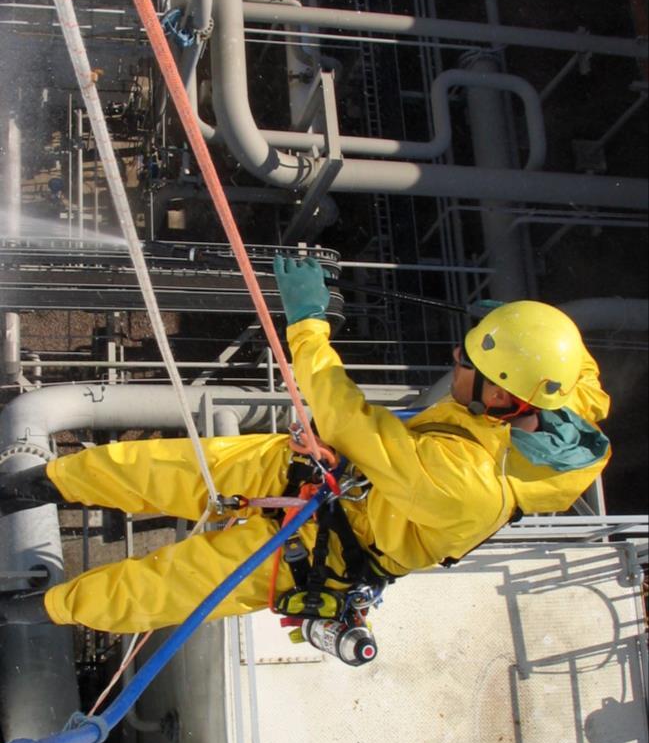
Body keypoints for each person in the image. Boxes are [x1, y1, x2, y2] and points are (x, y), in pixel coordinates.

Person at [0, 257, 611, 631]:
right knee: (159, 467)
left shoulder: (469, 487)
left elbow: (348, 420)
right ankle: (34, 486)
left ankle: (35, 609)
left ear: (504, 398)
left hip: (327, 548)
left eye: (467, 359)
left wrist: (307, 326)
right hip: (337, 477)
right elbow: (573, 363)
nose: (456, 357)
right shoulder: (563, 404)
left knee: (162, 587)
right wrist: (508, 326)